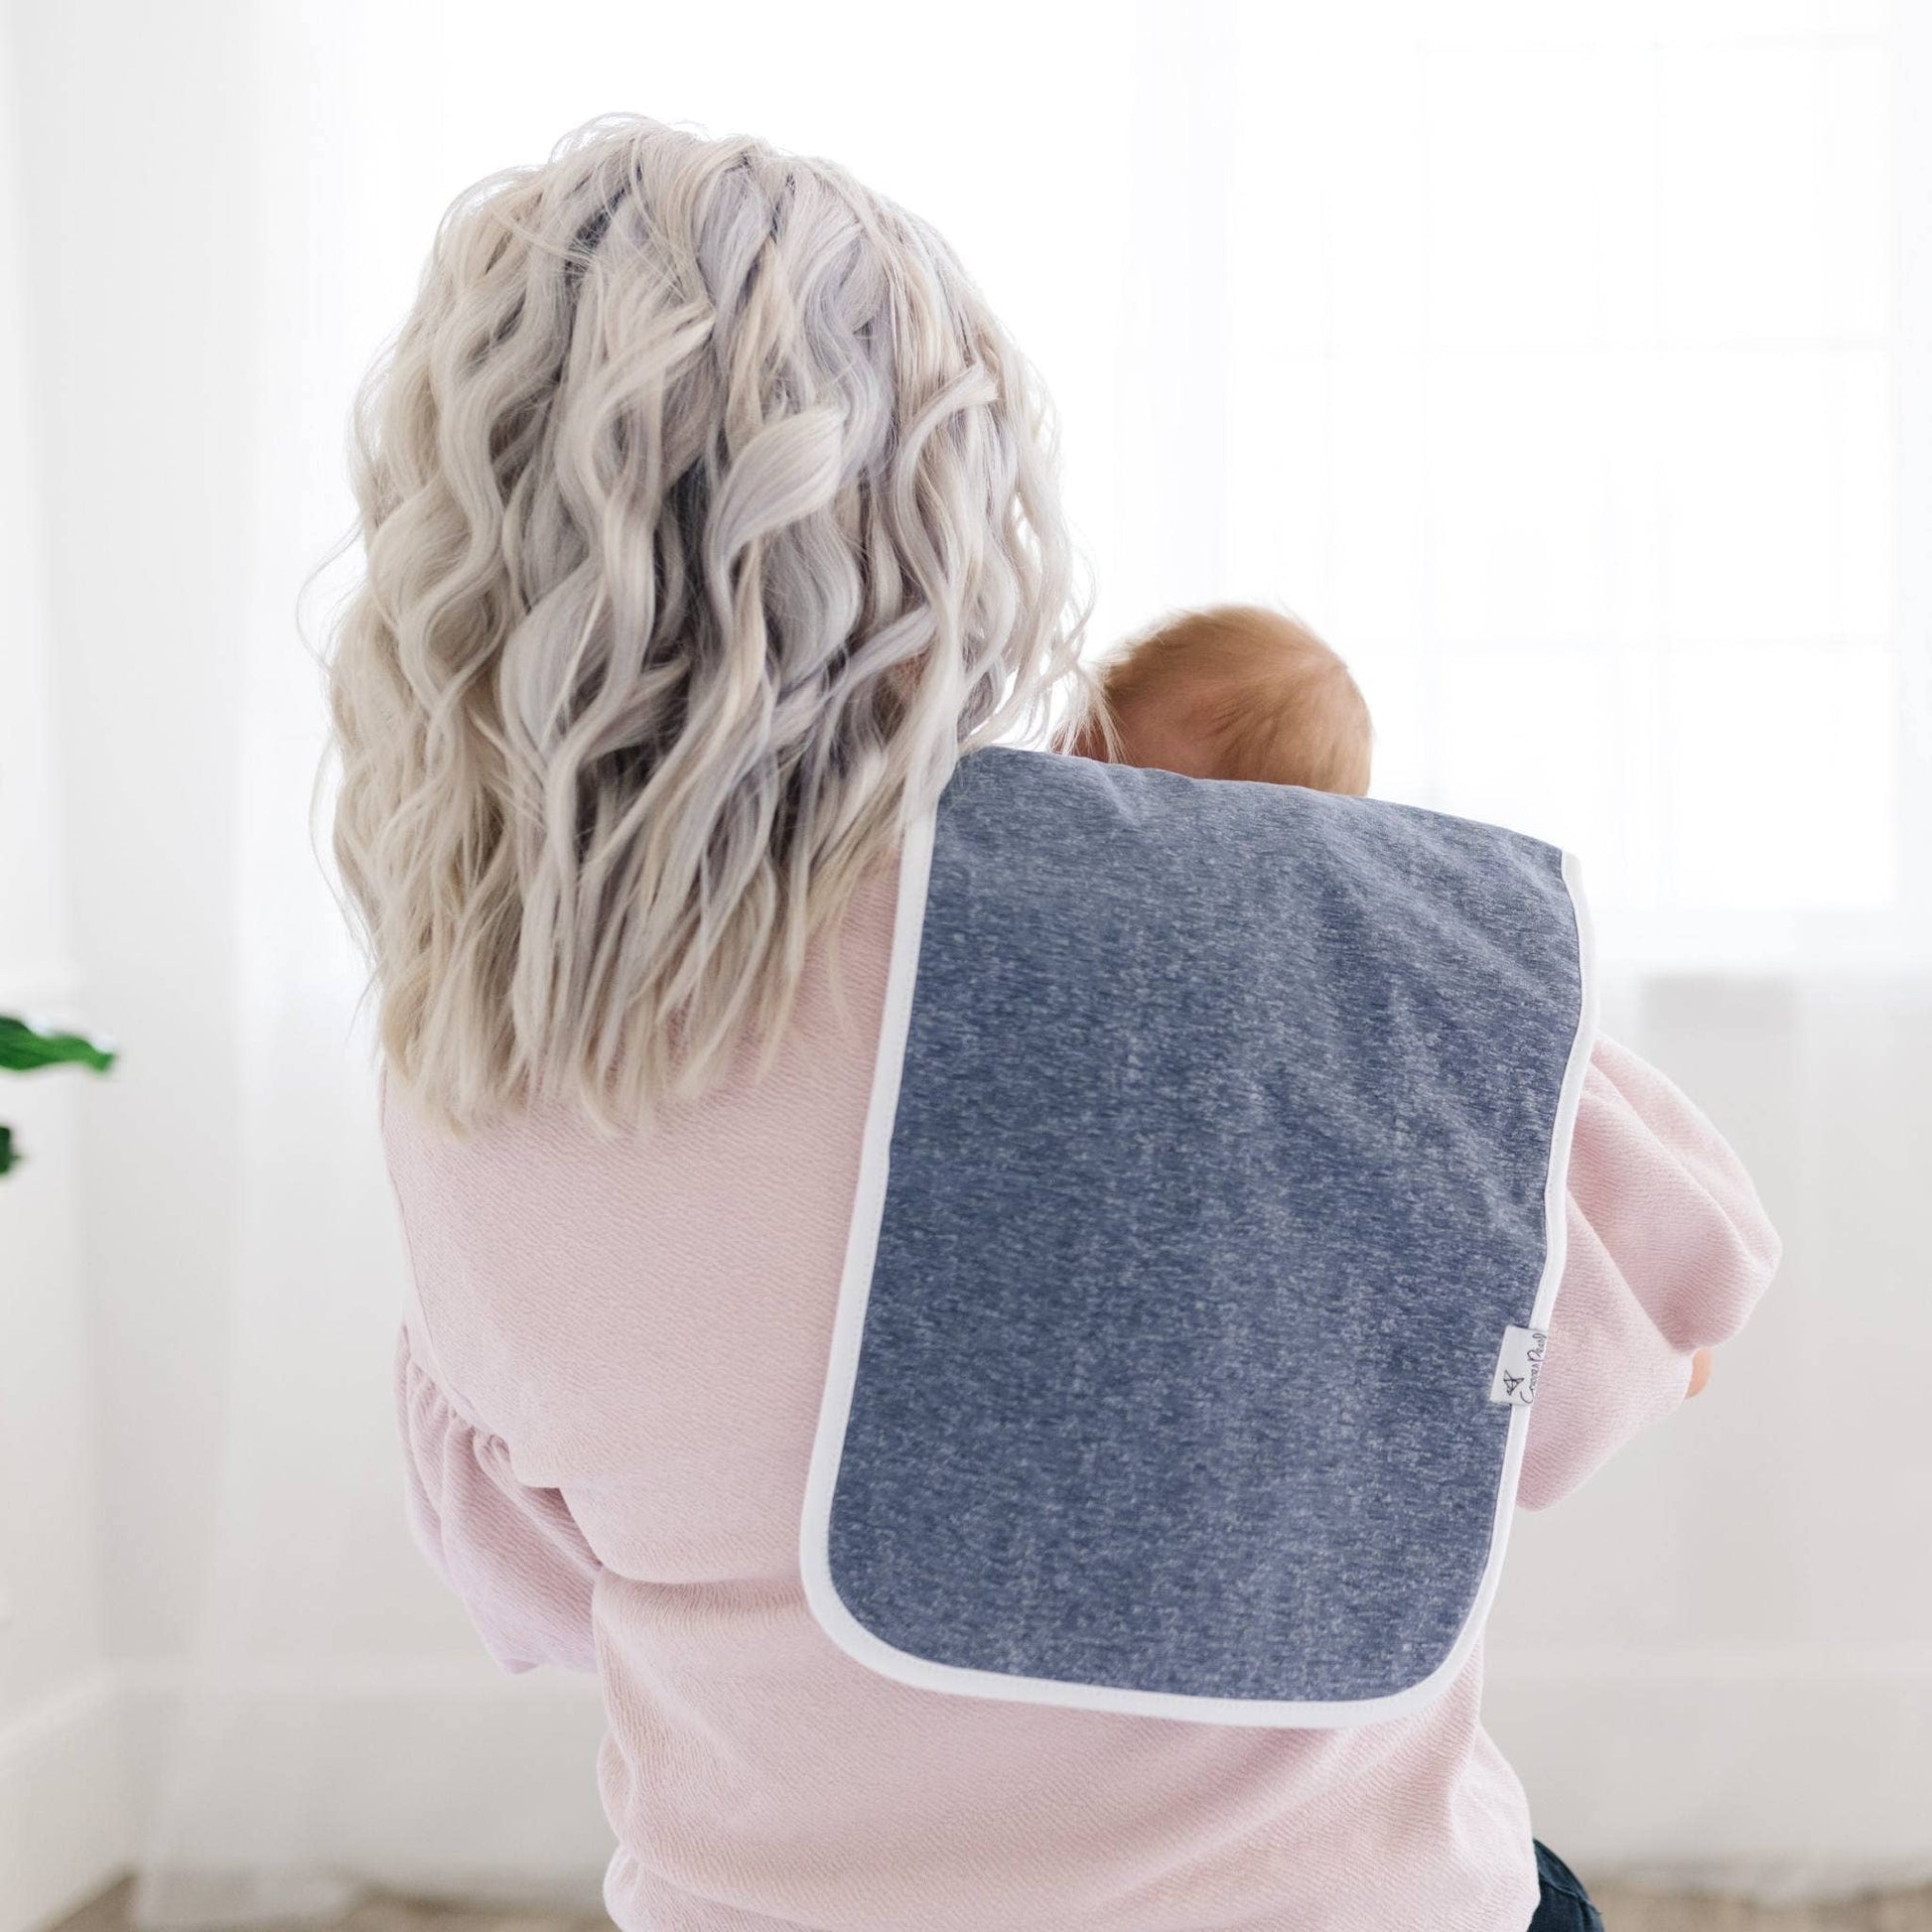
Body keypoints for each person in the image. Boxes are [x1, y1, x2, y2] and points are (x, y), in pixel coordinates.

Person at [329, 114, 1777, 1932]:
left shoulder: (486, 1050)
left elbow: (547, 1593)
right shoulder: (1316, 938)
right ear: (960, 495)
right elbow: (1623, 1363)